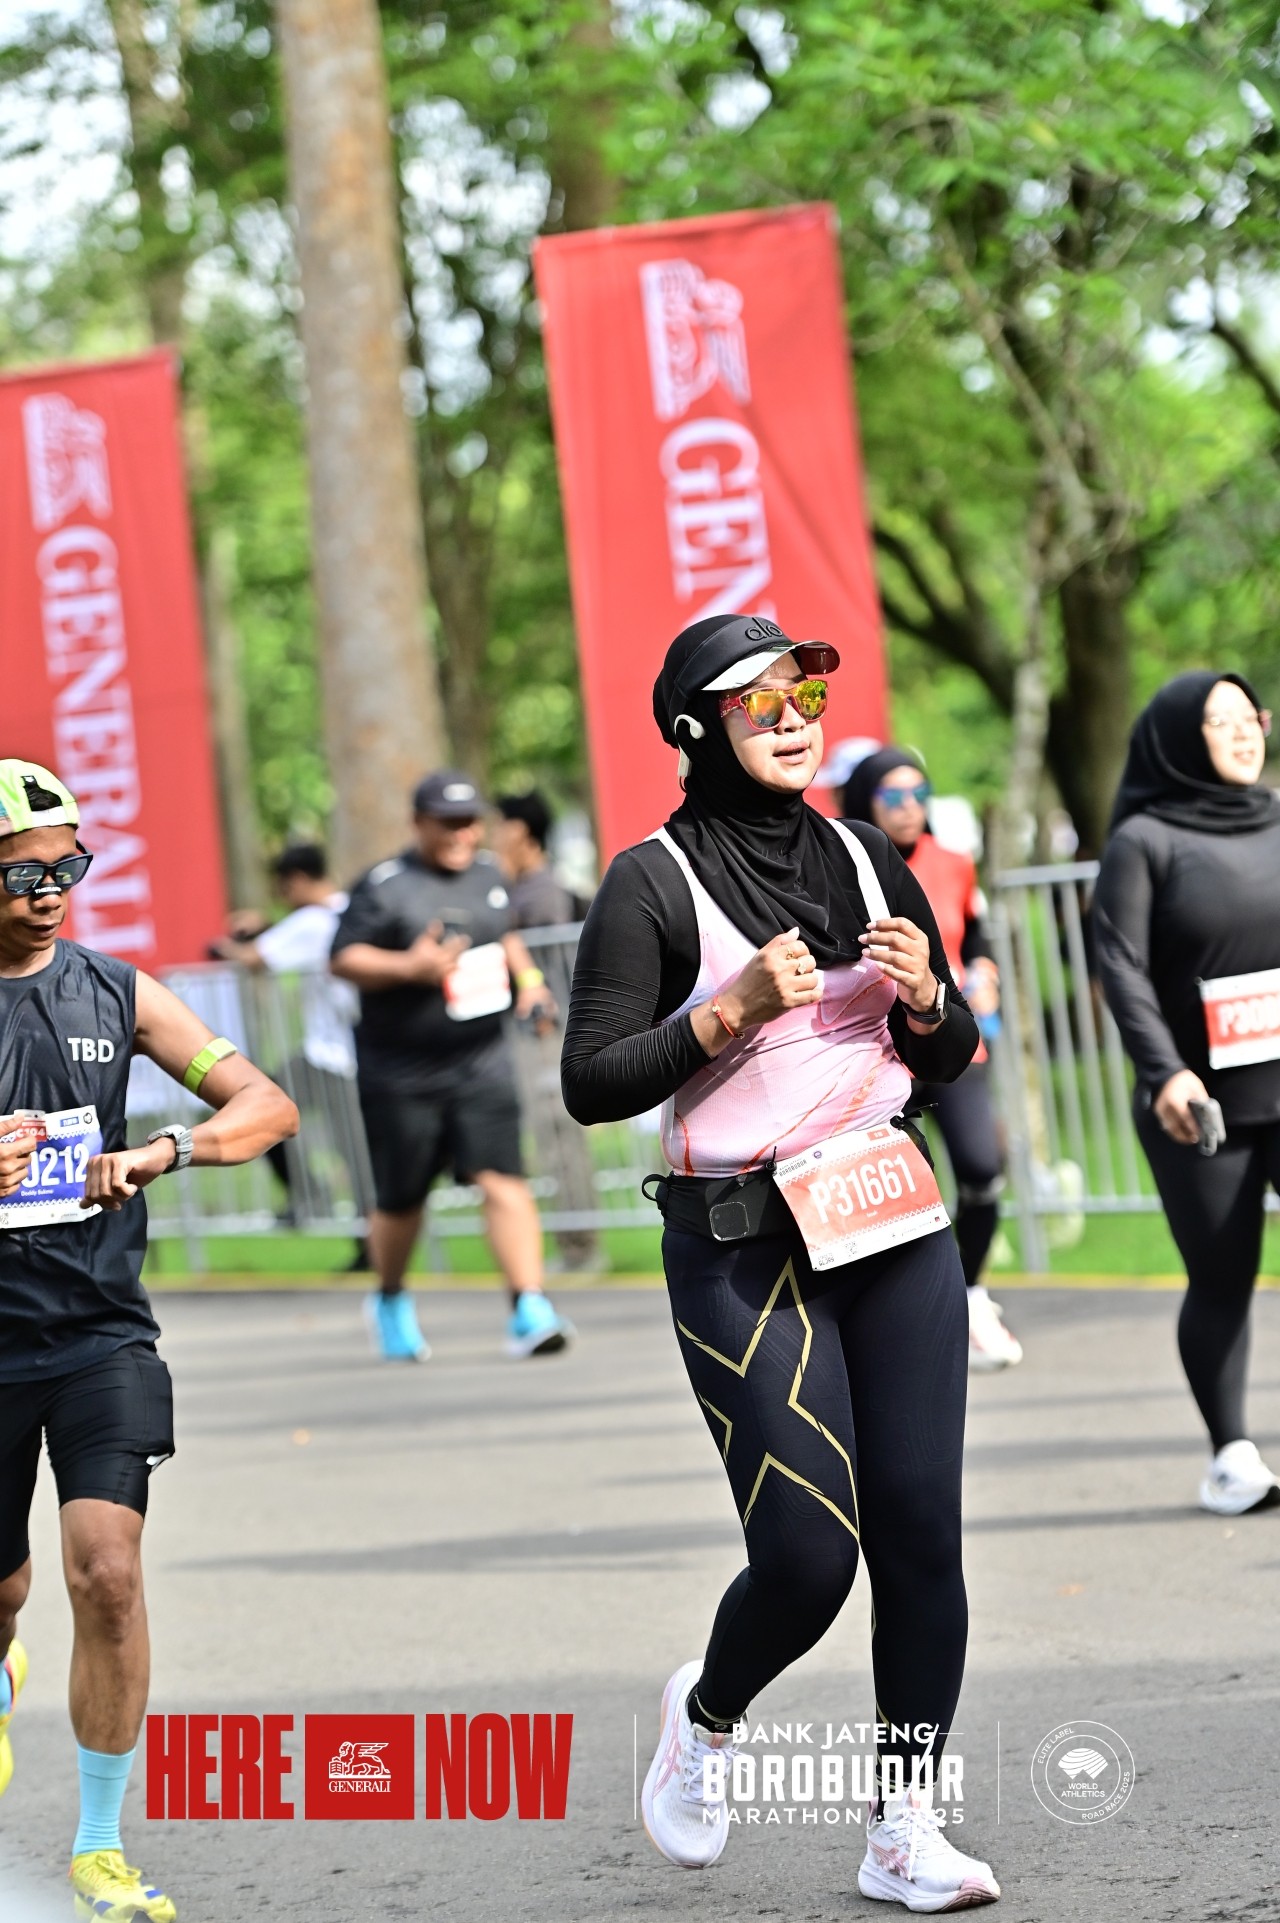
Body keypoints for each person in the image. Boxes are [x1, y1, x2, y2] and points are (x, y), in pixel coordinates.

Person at [562, 617, 1000, 1910]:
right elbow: (592, 1080)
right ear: (693, 727)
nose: (793, 716)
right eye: (757, 702)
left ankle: (904, 1824)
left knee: (920, 1529)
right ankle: (704, 1717)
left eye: (803, 694)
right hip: (742, 1247)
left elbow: (949, 1054)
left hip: (888, 1220)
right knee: (809, 1555)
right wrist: (728, 1011)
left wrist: (928, 1003)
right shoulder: (649, 883)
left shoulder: (868, 855)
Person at [0, 759, 298, 1922]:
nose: (53, 892)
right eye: (26, 872)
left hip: (99, 1336)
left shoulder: (117, 994)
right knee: (5, 1591)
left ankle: (97, 1844)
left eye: (69, 868)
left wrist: (164, 1150)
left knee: (108, 1575)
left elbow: (264, 1105)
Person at [1095, 672, 1280, 1516]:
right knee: (1223, 1276)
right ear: (1177, 739)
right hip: (1201, 1105)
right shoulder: (1146, 840)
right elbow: (1121, 965)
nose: (1245, 732)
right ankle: (1230, 1456)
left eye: (1252, 716)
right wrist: (1165, 1070)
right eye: (1221, 720)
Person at [330, 770, 574, 1361]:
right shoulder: (385, 886)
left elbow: (504, 937)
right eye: (448, 823)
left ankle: (529, 1307)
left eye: (469, 822)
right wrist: (409, 968)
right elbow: (343, 958)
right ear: (419, 823)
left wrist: (530, 982)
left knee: (503, 1178)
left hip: (481, 1061)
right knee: (403, 1200)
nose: (462, 834)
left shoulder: (491, 873)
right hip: (401, 1071)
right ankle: (390, 1298)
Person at [841, 746, 1021, 1372]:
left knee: (982, 1167)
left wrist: (986, 973)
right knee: (896, 1196)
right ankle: (904, 1321)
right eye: (893, 796)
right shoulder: (843, 867)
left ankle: (971, 1293)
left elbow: (976, 935)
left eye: (920, 793)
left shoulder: (953, 862)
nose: (909, 807)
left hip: (950, 1040)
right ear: (865, 802)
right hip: (877, 1052)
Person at [210, 844, 367, 1263]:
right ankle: (367, 1245)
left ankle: (312, 1195)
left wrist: (223, 945)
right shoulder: (350, 909)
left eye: (282, 888)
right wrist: (268, 925)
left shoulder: (312, 921)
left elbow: (255, 958)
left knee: (257, 1109)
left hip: (327, 1056)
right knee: (355, 1152)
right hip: (358, 1054)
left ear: (296, 880)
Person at [492, 791, 582, 928]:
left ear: (518, 832)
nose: (495, 835)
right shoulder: (517, 885)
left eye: (500, 826)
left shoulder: (545, 894)